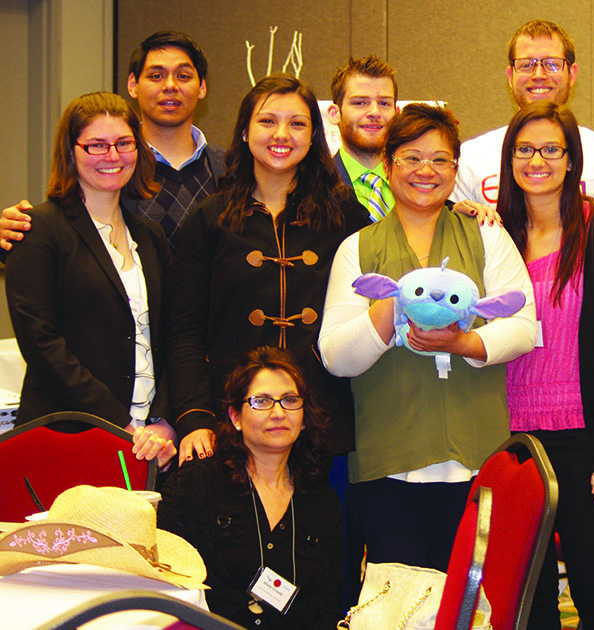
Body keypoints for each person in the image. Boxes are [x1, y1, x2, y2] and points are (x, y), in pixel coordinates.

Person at [318, 103, 535, 572]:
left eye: (440, 160)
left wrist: (464, 345)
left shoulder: (485, 236)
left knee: (472, 605)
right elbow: (335, 355)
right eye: (411, 157)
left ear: (455, 169)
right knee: (403, 608)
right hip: (388, 461)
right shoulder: (358, 247)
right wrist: (390, 308)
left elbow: (523, 326)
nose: (425, 170)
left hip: (478, 459)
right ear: (387, 163)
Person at [167, 75, 369, 465]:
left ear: (314, 135)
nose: (282, 134)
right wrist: (193, 417)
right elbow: (184, 331)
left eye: (297, 124)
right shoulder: (210, 219)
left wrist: (457, 210)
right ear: (244, 131)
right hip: (231, 415)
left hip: (324, 417)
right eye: (267, 121)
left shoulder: (345, 216)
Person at [497, 101, 594, 630]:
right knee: (526, 593)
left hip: (583, 441)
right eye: (525, 149)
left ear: (572, 159)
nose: (538, 160)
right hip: (510, 440)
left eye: (551, 149)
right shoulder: (495, 236)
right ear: (509, 158)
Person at [4, 91, 176, 468]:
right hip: (68, 437)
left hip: (148, 443)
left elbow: (173, 336)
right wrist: (117, 424)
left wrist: (164, 420)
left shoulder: (149, 236)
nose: (112, 156)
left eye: (124, 143)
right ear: (71, 151)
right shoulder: (37, 230)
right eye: (96, 145)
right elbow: (42, 344)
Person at [159, 346, 341, 630]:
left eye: (290, 400)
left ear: (304, 416)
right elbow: (165, 588)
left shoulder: (322, 502)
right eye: (261, 401)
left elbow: (327, 606)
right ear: (235, 417)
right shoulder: (195, 486)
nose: (278, 413)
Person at [0, 31, 224, 250]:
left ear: (202, 87)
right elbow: (61, 236)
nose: (170, 86)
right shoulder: (108, 165)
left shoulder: (228, 166)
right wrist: (14, 235)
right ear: (132, 85)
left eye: (183, 76)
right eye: (156, 76)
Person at [451, 19, 594, 210]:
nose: (538, 75)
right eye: (526, 64)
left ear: (572, 74)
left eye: (551, 64)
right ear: (510, 76)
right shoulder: (470, 157)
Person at [327, 55, 398, 220]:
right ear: (335, 114)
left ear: (397, 112)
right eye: (360, 103)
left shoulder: (417, 184)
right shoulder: (315, 189)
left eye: (384, 103)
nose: (374, 112)